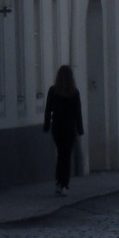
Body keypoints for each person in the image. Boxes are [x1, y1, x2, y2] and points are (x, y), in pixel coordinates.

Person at [43, 65, 83, 195]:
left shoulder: (53, 91)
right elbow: (78, 113)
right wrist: (80, 129)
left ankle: (59, 183)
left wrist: (46, 125)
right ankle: (64, 183)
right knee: (66, 156)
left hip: (57, 127)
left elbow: (48, 110)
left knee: (61, 154)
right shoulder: (74, 92)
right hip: (69, 127)